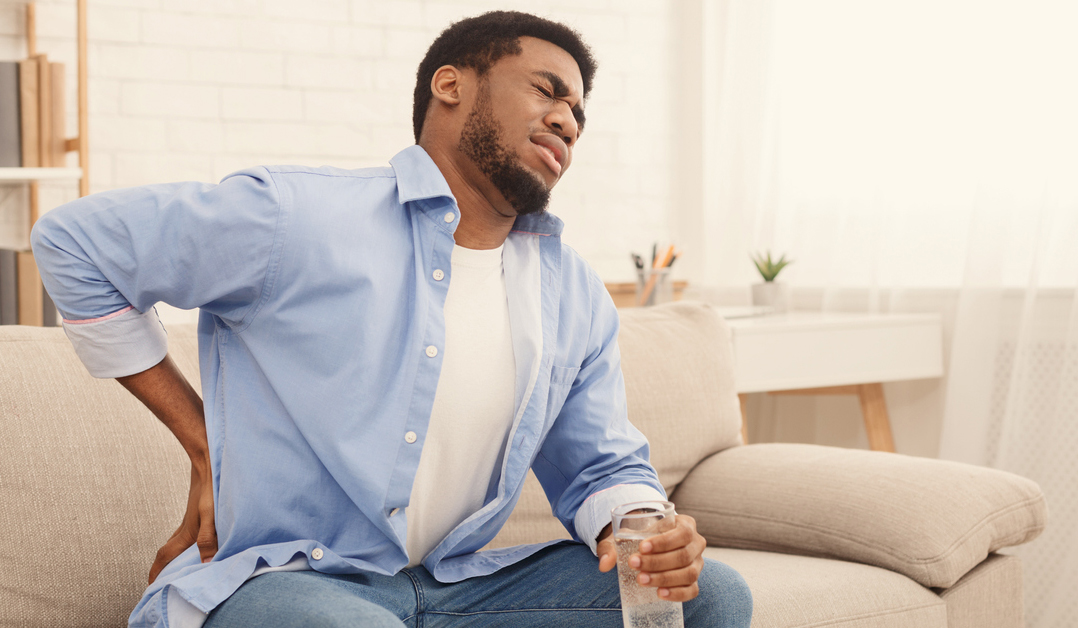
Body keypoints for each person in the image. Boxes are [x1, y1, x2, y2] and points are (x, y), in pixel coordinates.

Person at [33, 10, 752, 628]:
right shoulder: (299, 217)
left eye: (580, 114)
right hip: (290, 581)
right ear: (451, 85)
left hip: (454, 587)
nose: (568, 118)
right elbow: (72, 243)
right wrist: (203, 445)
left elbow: (599, 465)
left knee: (710, 598)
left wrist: (643, 529)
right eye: (547, 90)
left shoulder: (572, 292)